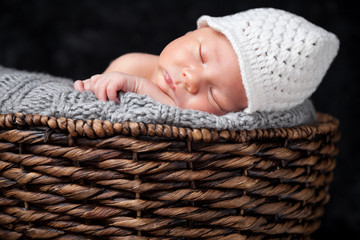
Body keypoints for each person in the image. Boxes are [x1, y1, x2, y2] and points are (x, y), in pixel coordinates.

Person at [74, 8, 339, 116]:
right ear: (194, 32)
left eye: (215, 97)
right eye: (200, 55)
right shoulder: (131, 66)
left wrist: (141, 88)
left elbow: (177, 120)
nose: (193, 79)